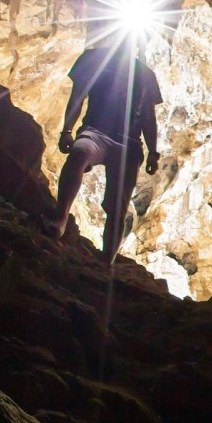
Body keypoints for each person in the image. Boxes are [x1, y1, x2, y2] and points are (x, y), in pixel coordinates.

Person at [53, 36, 162, 261]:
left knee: (118, 204)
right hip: (95, 132)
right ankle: (60, 219)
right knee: (79, 154)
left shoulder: (145, 74)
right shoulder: (93, 59)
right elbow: (78, 96)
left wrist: (153, 151)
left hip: (128, 143)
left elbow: (149, 118)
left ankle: (107, 260)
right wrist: (67, 130)